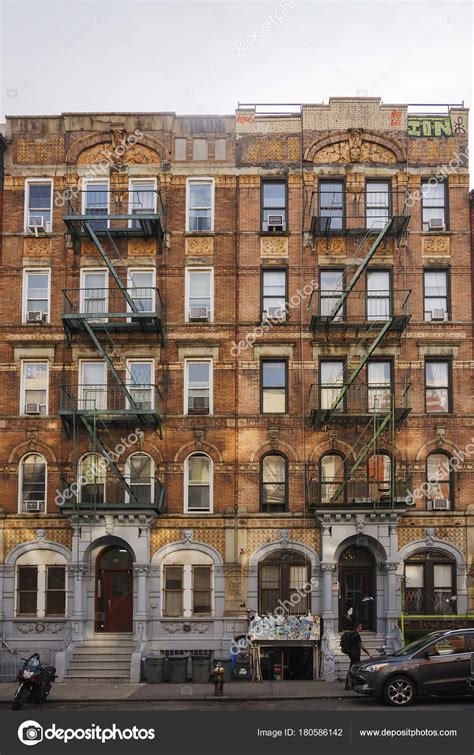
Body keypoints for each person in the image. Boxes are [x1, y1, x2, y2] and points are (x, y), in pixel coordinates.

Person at [344, 622, 373, 690]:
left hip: (351, 654)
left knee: (352, 669)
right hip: (355, 654)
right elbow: (361, 646)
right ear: (358, 627)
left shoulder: (351, 633)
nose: (361, 628)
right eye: (361, 626)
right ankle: (352, 684)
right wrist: (369, 653)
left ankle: (349, 684)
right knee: (356, 669)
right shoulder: (356, 635)